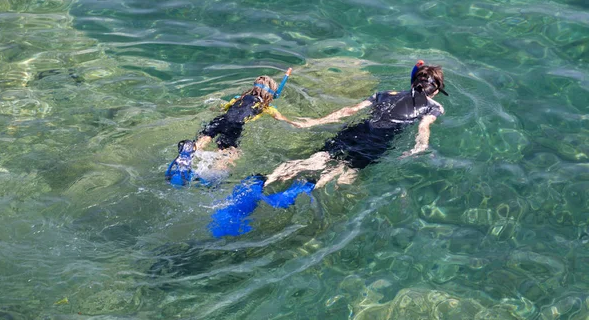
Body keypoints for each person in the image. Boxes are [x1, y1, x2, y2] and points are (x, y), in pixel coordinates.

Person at [264, 61, 448, 189]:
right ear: (437, 91)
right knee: (345, 174)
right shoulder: (434, 107)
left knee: (318, 158)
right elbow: (424, 128)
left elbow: (349, 111)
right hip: (377, 141)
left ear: (413, 82)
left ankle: (269, 179)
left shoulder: (384, 94)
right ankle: (311, 188)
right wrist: (419, 148)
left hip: (356, 129)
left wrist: (315, 122)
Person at [166, 71, 299, 185]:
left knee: (204, 139)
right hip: (235, 126)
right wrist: (298, 123)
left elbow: (224, 108)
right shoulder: (266, 107)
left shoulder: (237, 99)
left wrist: (213, 108)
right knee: (230, 153)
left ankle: (189, 152)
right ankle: (213, 177)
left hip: (220, 119)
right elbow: (281, 118)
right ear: (270, 94)